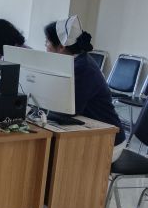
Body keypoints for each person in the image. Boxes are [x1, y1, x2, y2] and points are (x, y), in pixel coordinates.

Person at [45, 15, 126, 162]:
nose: (45, 45)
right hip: (91, 131)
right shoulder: (73, 62)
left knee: (55, 156)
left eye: (48, 41)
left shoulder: (83, 68)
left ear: (61, 47)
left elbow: (69, 110)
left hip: (109, 140)